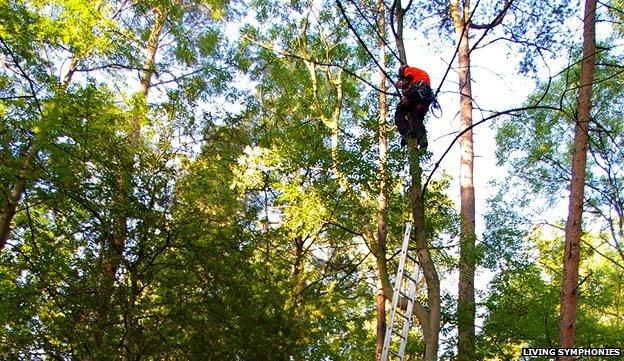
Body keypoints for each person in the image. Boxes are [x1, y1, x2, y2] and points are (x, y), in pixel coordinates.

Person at [394, 64, 434, 148]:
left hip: (419, 90)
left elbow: (409, 79)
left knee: (400, 111)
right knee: (416, 118)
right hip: (426, 97)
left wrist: (401, 85)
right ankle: (422, 139)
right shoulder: (419, 74)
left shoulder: (408, 70)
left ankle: (407, 132)